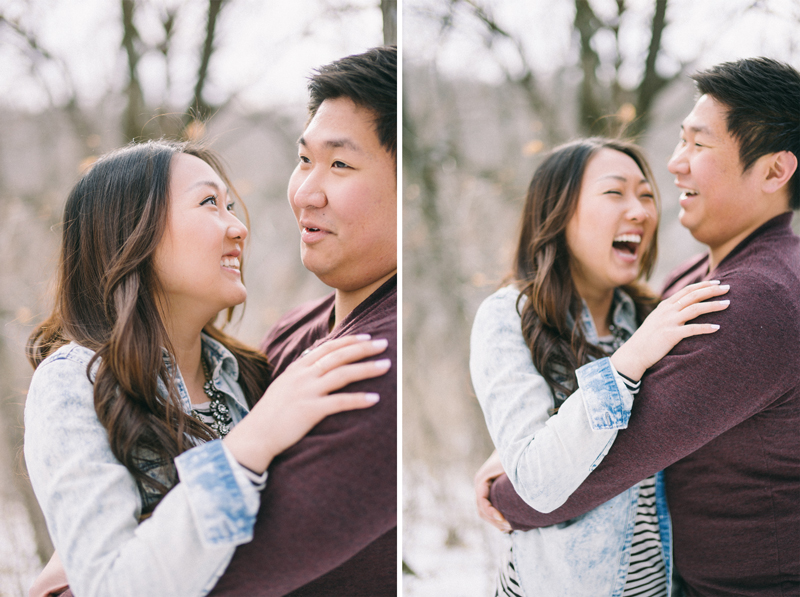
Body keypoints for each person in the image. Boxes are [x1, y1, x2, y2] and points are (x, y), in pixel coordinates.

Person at [478, 57, 800, 595]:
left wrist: (505, 495)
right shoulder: (692, 279)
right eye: (680, 141)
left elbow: (604, 467)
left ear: (774, 171)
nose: (675, 164)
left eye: (700, 145)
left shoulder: (755, 298)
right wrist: (519, 446)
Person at [23, 140, 391, 597]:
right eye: (209, 203)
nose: (238, 228)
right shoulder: (74, 382)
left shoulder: (251, 375)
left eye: (231, 206)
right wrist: (247, 447)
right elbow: (113, 587)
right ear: (132, 231)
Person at [470, 137, 730, 596]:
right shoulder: (507, 316)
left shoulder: (653, 316)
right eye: (615, 192)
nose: (641, 211)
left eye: (647, 195)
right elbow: (538, 483)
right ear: (558, 212)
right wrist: (628, 363)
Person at [207, 45, 397, 596]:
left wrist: (95, 570)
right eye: (304, 159)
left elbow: (218, 574)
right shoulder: (298, 328)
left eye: (340, 164)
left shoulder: (375, 365)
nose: (306, 192)